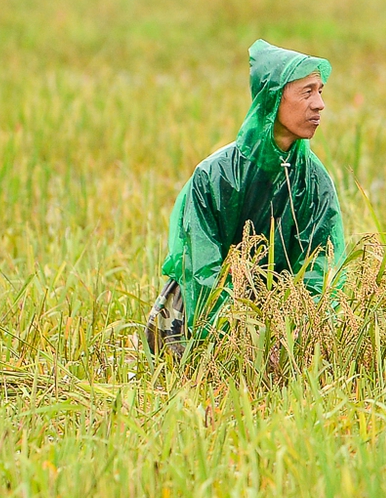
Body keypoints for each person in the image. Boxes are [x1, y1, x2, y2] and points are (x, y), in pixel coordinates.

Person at [147, 40, 346, 351]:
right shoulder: (216, 175)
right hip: (205, 310)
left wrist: (296, 330)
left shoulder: (314, 181)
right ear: (272, 97)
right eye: (307, 92)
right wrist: (234, 335)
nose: (319, 104)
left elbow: (320, 268)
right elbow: (201, 271)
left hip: (278, 309)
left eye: (320, 91)